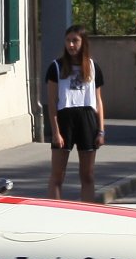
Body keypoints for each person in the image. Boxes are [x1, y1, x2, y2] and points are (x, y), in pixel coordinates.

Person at [44, 25, 105, 203]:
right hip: (65, 120)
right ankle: (54, 212)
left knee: (88, 175)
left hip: (87, 120)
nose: (71, 45)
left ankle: (87, 211)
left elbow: (98, 101)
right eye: (68, 41)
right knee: (57, 175)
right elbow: (52, 102)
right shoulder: (56, 67)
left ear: (83, 42)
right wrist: (55, 132)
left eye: (75, 41)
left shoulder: (93, 67)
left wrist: (101, 131)